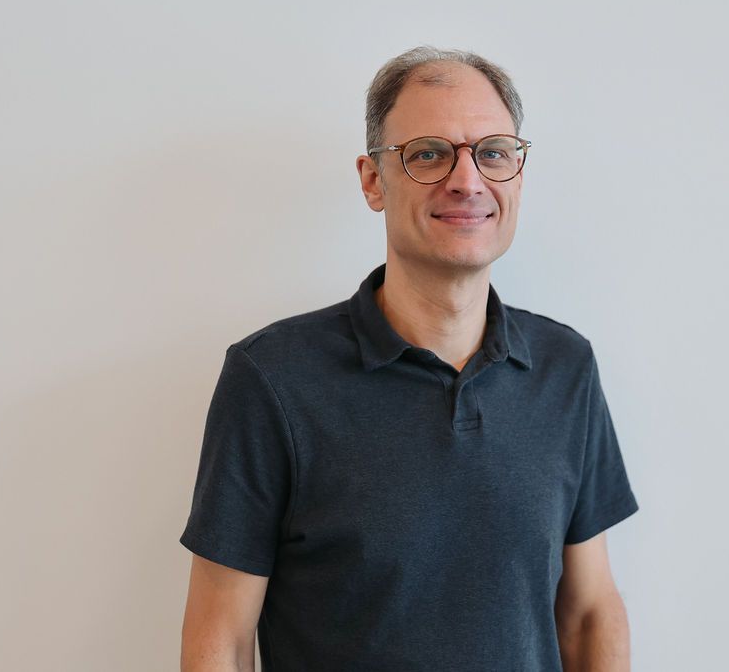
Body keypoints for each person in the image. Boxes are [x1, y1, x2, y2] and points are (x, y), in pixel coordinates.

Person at [179, 46, 639, 671]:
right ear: (373, 181)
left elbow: (588, 615)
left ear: (518, 177)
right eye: (428, 154)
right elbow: (222, 641)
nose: (467, 179)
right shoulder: (273, 380)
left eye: (494, 152)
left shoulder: (565, 367)